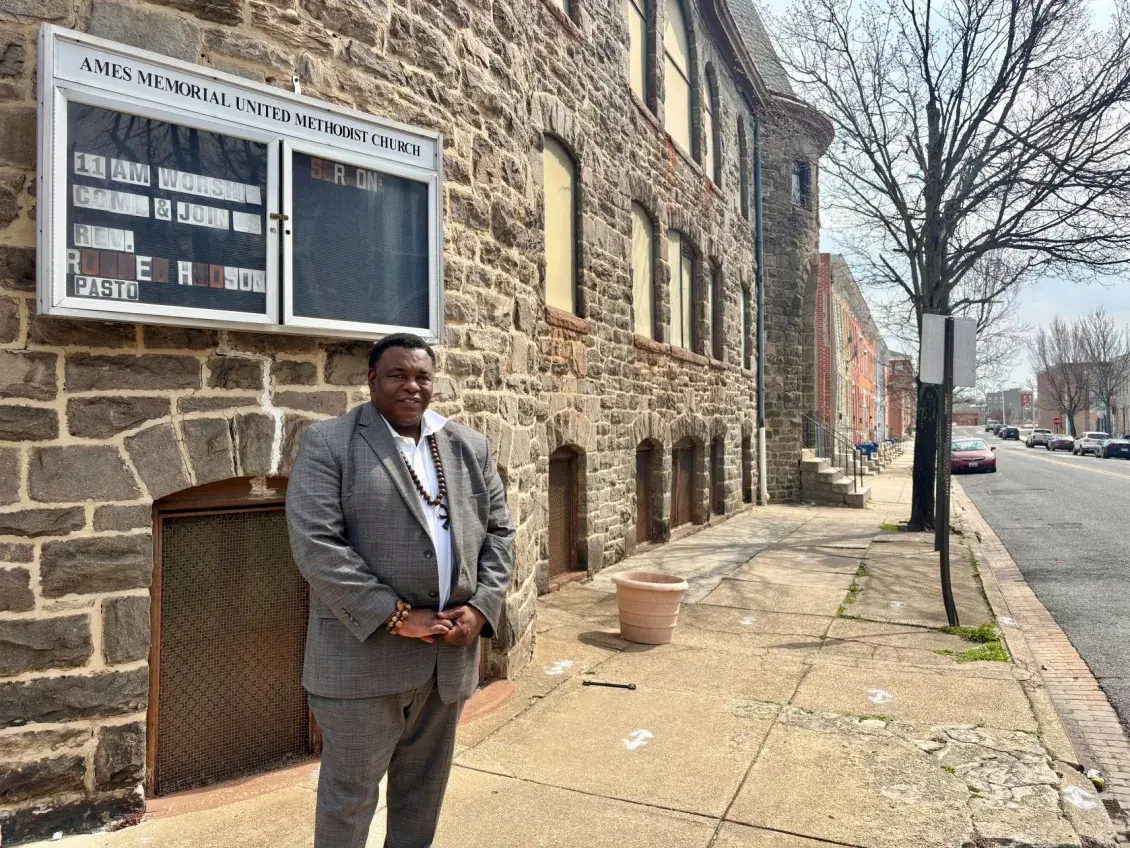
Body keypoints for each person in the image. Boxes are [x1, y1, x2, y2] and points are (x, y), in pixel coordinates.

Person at [285, 332, 515, 848]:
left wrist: (480, 609)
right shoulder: (330, 443)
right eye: (397, 375)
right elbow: (316, 544)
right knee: (350, 798)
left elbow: (500, 534)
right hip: (362, 659)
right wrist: (393, 615)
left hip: (446, 661)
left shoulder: (468, 447)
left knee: (422, 795)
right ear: (372, 380)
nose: (412, 386)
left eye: (422, 376)